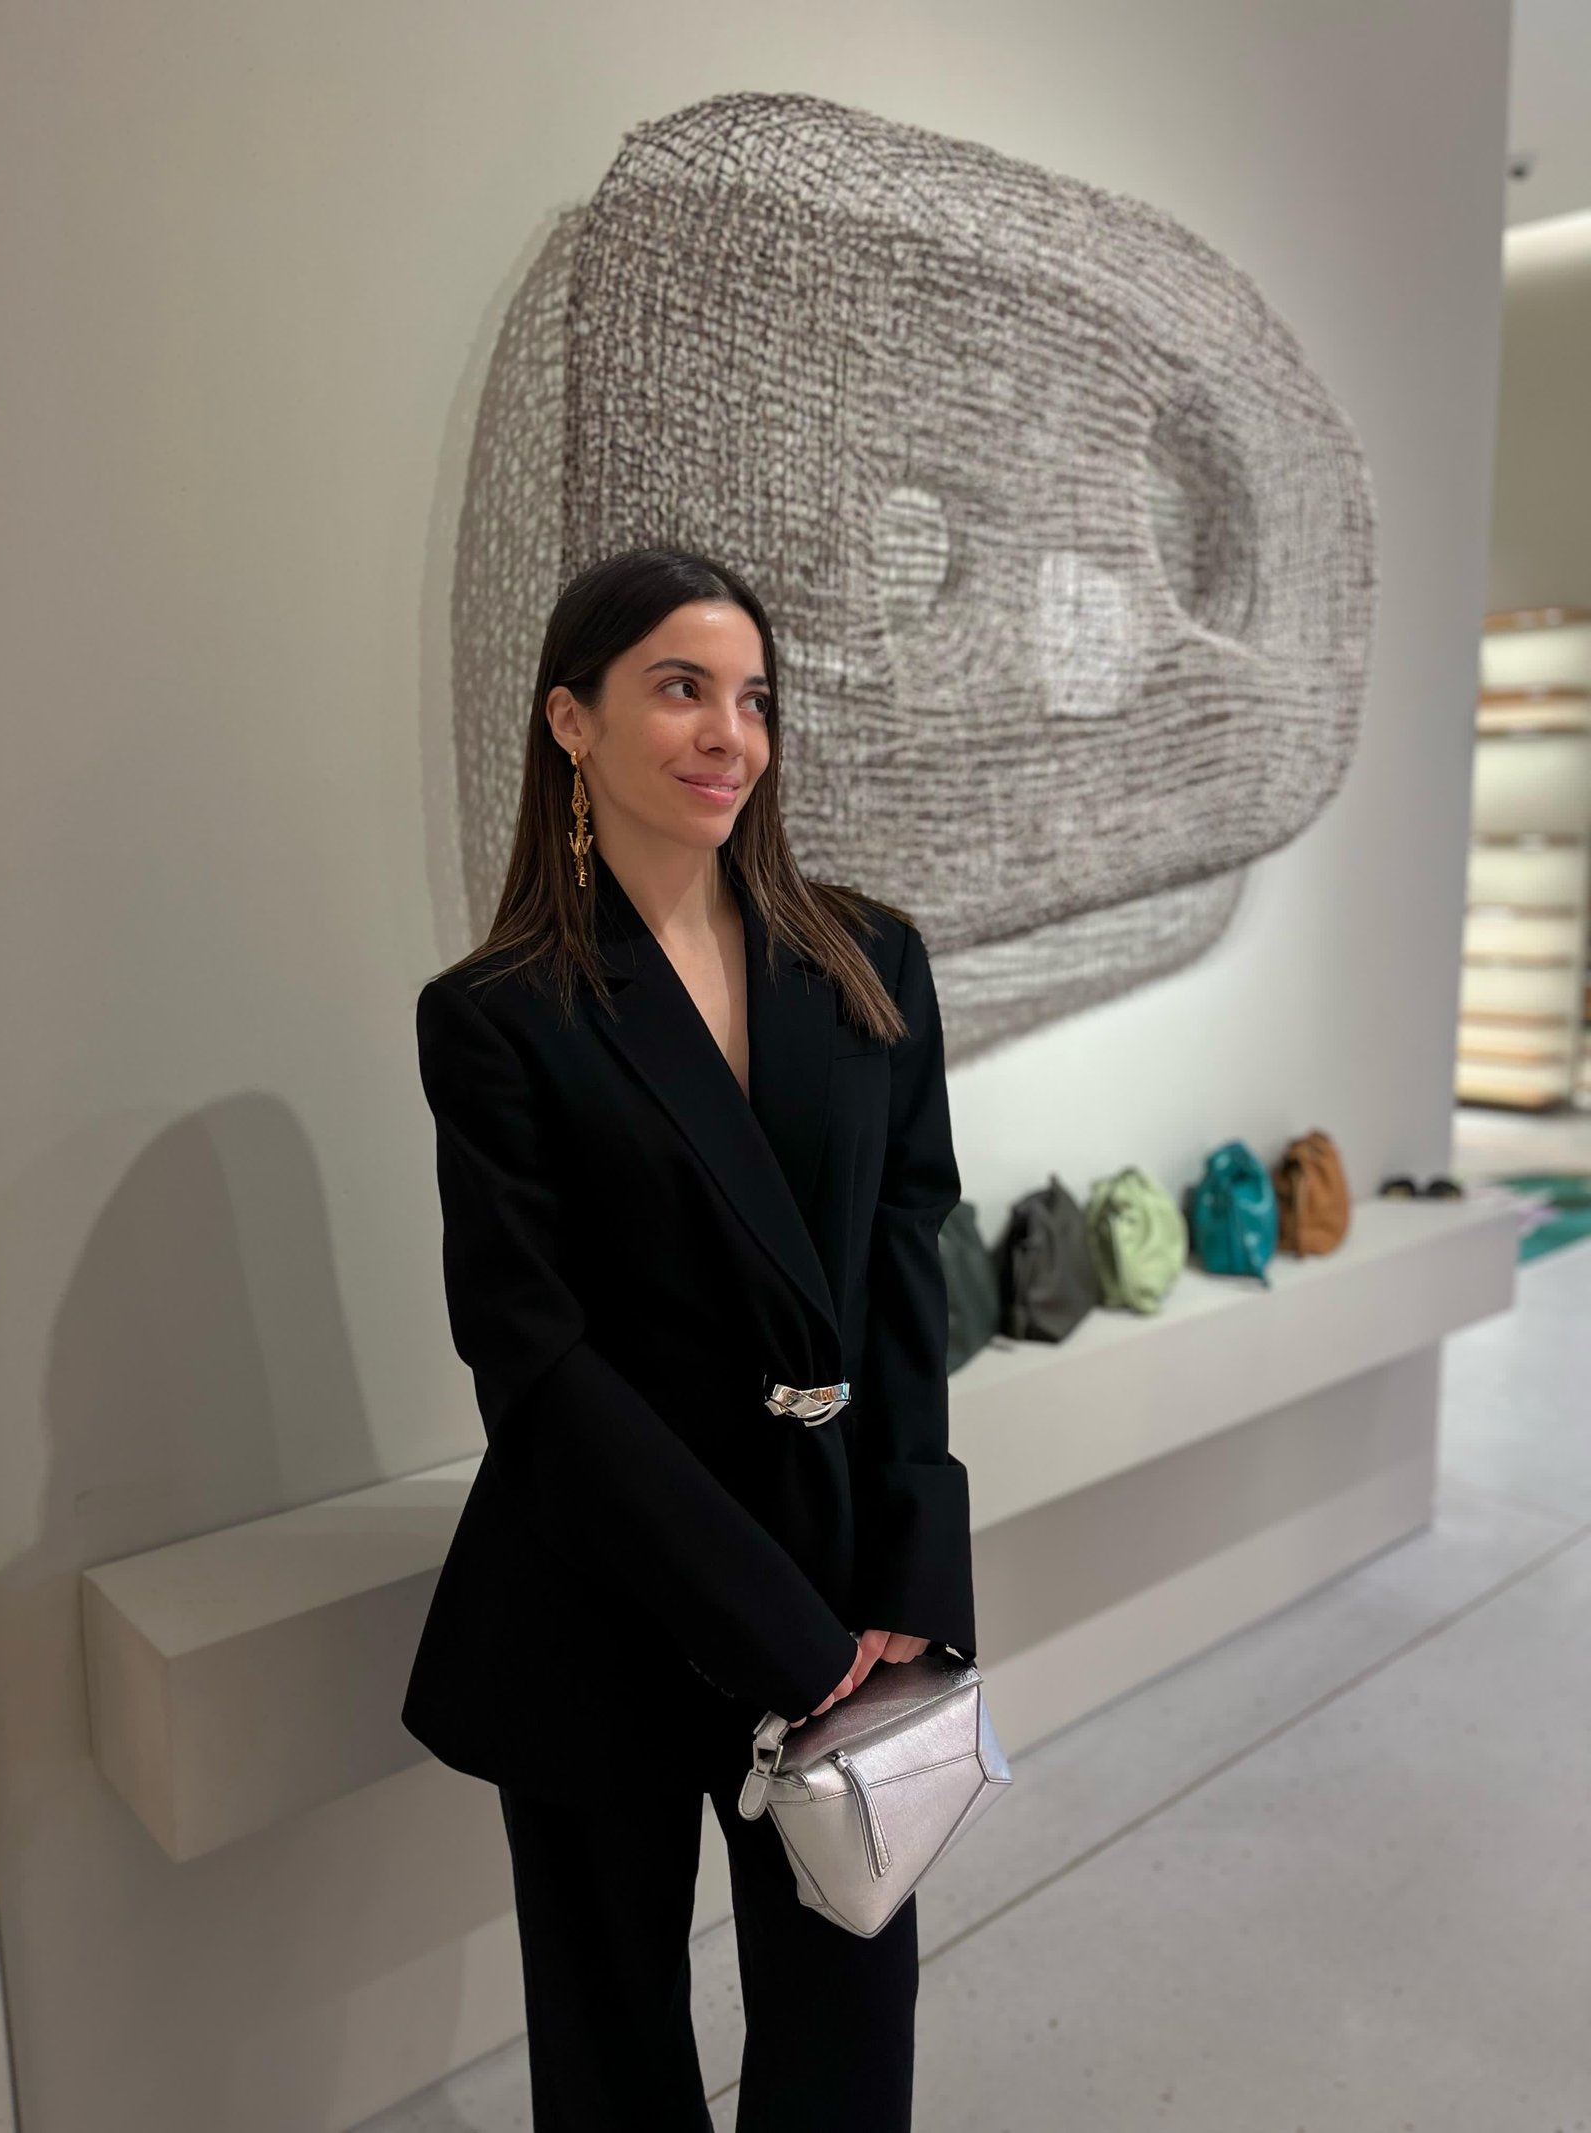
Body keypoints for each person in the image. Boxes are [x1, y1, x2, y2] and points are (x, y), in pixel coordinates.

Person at [407, 546, 977, 2130]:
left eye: (755, 697)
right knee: (613, 2048)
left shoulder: (866, 962)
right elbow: (533, 1360)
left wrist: (911, 1574)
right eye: (681, 688)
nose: (731, 732)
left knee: (847, 2024)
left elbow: (904, 1274)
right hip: (602, 1587)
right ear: (570, 721)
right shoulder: (500, 1013)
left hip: (844, 1587)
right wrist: (774, 1629)